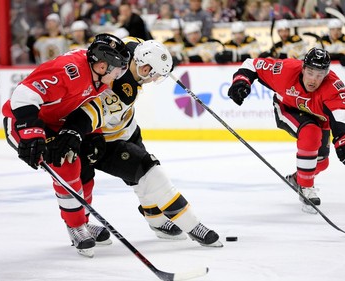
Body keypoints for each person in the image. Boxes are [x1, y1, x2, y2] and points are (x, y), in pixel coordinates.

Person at [59, 37, 223, 250]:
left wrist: (165, 61)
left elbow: (137, 42)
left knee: (140, 177)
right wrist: (72, 132)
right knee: (148, 171)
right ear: (144, 68)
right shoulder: (123, 89)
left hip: (126, 128)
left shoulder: (131, 49)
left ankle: (156, 221)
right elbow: (90, 115)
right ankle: (193, 226)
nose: (153, 80)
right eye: (153, 74)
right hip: (104, 140)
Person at [2, 33, 130, 257]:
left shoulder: (98, 76)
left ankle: (82, 221)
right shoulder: (69, 70)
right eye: (117, 70)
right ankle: (75, 226)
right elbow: (22, 96)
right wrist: (32, 134)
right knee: (65, 164)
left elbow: (84, 105)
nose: (118, 75)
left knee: (86, 167)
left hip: (58, 123)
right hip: (26, 121)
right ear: (102, 65)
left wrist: (93, 134)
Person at [227, 47, 345, 213]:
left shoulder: (333, 86)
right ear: (303, 68)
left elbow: (339, 114)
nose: (313, 79)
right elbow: (251, 64)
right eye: (310, 72)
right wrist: (241, 82)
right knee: (311, 132)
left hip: (319, 118)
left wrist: (344, 140)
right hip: (287, 108)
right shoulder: (285, 70)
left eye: (319, 75)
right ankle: (306, 188)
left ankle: (298, 179)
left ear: (326, 74)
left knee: (322, 162)